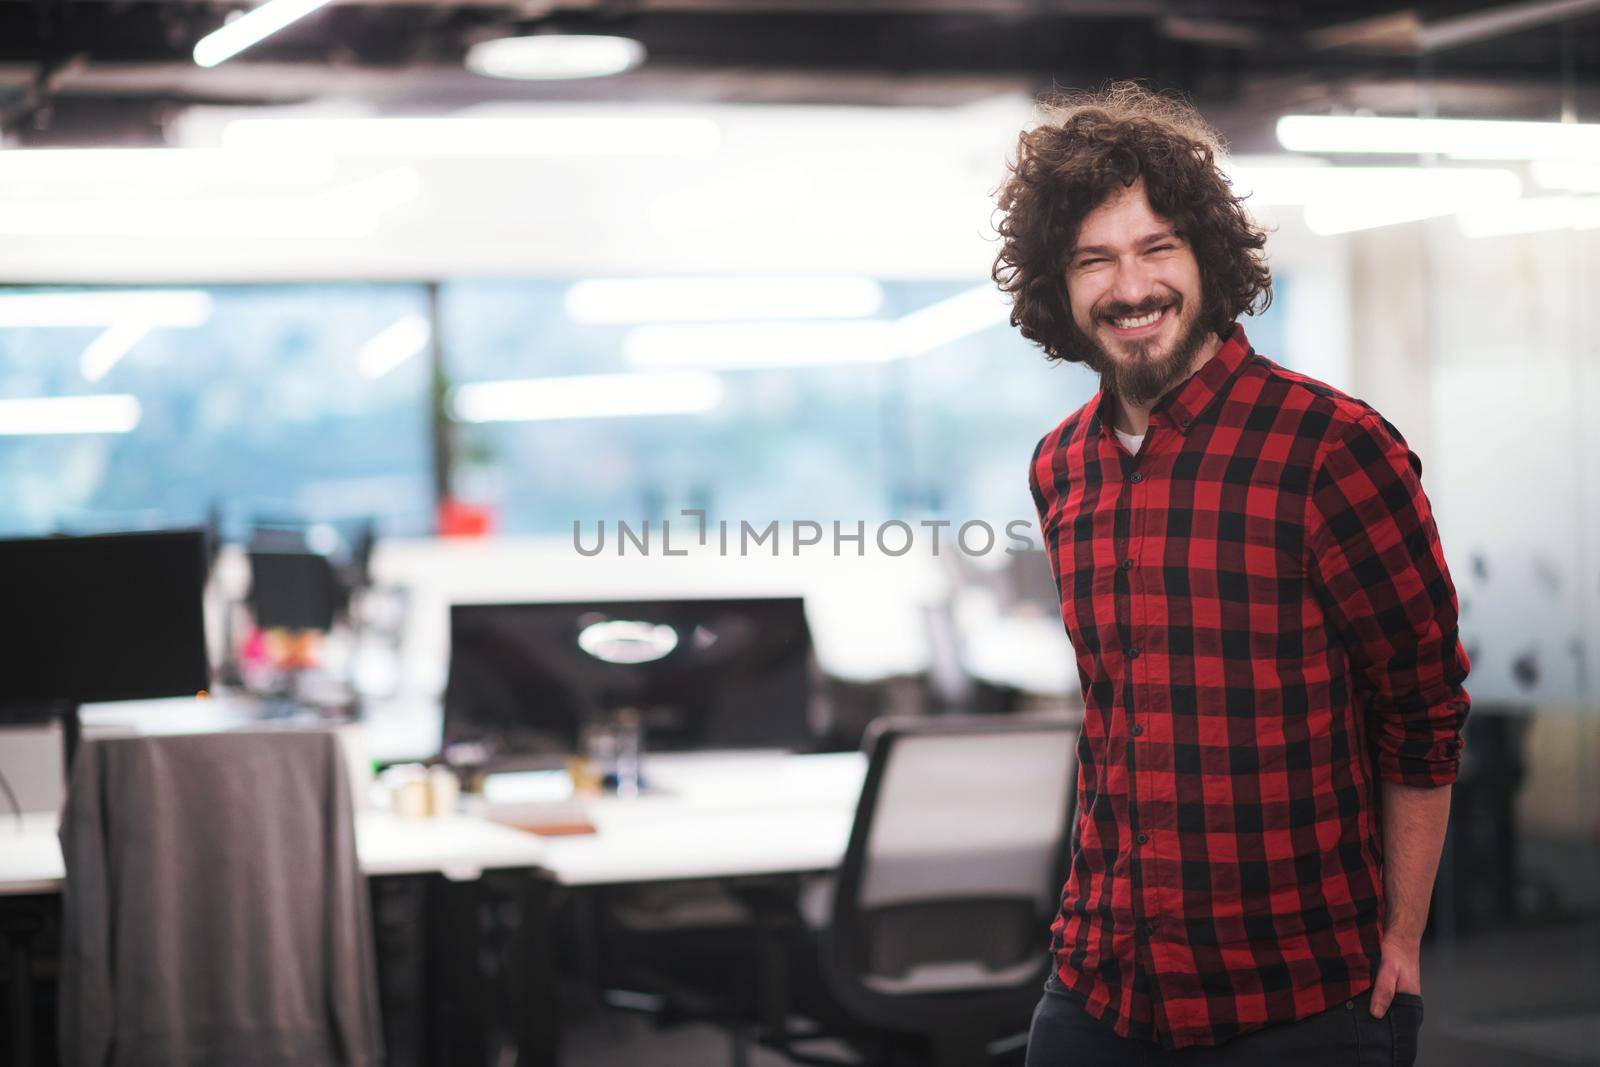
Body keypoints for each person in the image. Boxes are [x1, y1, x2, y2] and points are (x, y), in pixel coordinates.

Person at [994, 82, 1472, 1065]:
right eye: (1094, 259)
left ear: (1207, 255)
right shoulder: (1060, 464)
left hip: (1295, 991)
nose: (1129, 287)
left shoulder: (1331, 447)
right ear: (1059, 285)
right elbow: (1118, 710)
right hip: (1100, 977)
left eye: (1155, 248)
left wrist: (1401, 936)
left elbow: (1421, 707)